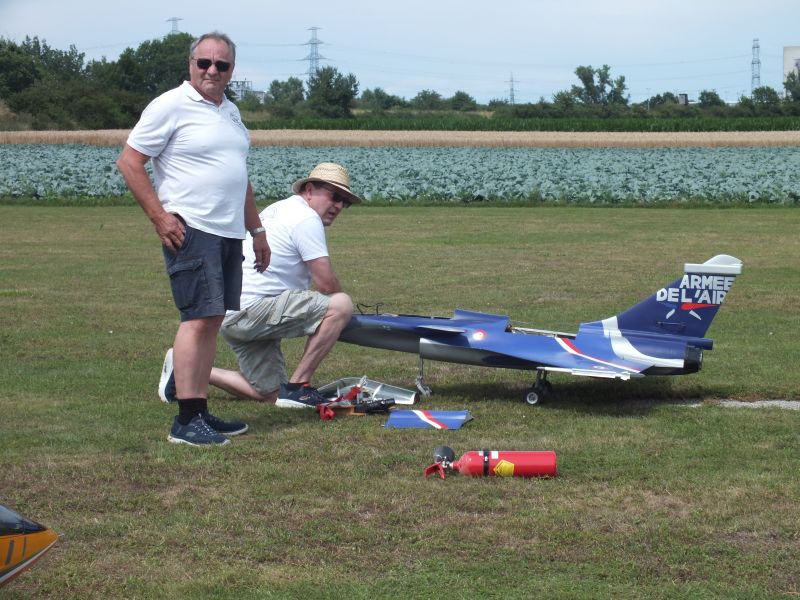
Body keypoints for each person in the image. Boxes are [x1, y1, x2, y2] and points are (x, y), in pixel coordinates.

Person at [117, 31, 270, 446]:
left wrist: (256, 230)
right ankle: (185, 422)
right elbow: (130, 162)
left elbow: (239, 178)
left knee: (213, 319)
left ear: (232, 70)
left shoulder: (231, 112)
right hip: (193, 229)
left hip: (228, 233)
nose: (212, 70)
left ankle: (199, 410)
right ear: (191, 65)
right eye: (204, 62)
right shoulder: (170, 105)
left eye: (221, 64)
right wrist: (159, 217)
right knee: (198, 319)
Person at [161, 162, 361, 408]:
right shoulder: (306, 218)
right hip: (253, 310)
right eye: (335, 196)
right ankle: (299, 387)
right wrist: (345, 316)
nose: (339, 206)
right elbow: (326, 283)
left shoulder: (282, 208)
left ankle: (182, 366)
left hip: (232, 312)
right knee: (340, 304)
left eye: (345, 202)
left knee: (270, 393)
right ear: (309, 190)